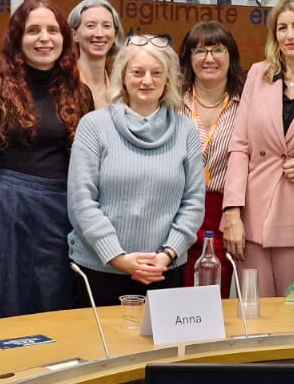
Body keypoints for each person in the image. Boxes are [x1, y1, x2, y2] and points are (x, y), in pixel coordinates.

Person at [0, 0, 93, 319]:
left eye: (52, 30)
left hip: (62, 214)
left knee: (58, 304)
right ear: (18, 39)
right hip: (9, 212)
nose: (44, 38)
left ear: (65, 37)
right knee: (7, 305)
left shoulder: (80, 93)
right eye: (33, 30)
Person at [69, 34, 205, 306]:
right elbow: (81, 202)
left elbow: (193, 203)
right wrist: (118, 258)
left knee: (164, 349)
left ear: (167, 80)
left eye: (156, 73)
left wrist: (167, 255)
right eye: (138, 72)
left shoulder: (186, 129)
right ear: (122, 77)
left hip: (163, 271)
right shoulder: (93, 126)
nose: (147, 80)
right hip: (100, 271)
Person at [221, 0, 294, 297]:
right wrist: (232, 214)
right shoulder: (257, 75)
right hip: (251, 220)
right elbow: (240, 145)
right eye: (282, 28)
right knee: (252, 319)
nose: (289, 35)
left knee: (293, 320)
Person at [178, 21, 244, 295]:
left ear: (231, 57)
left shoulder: (247, 102)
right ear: (188, 58)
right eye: (199, 51)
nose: (209, 59)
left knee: (218, 292)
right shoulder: (171, 100)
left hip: (226, 213)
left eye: (217, 50)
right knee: (176, 293)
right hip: (176, 211)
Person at [68, 0, 125, 109]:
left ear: (115, 34)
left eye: (106, 26)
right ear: (74, 35)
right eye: (90, 26)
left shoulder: (122, 88)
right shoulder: (63, 84)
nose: (99, 34)